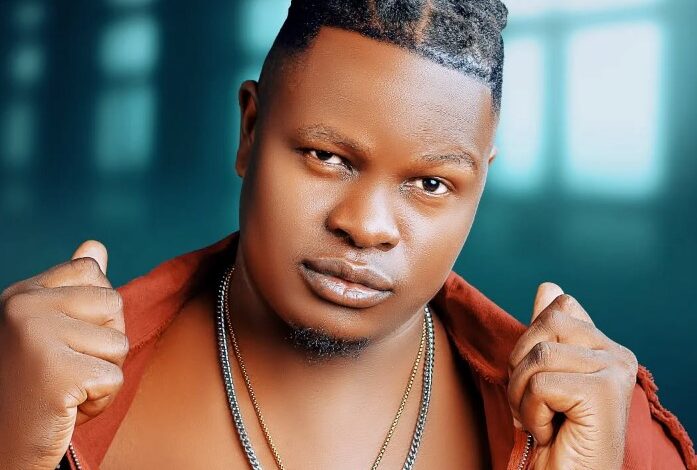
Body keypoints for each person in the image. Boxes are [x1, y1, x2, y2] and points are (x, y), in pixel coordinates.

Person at [1, 1, 694, 469]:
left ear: (480, 185)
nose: (365, 227)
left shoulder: (609, 434)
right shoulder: (32, 385)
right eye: (326, 156)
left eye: (431, 184)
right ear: (250, 130)